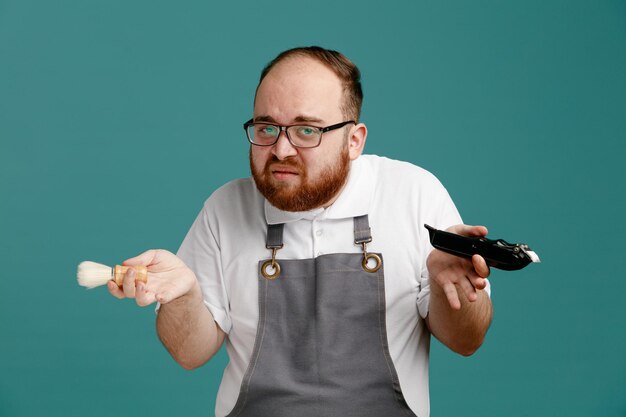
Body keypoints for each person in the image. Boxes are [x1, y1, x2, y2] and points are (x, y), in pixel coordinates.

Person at [108, 46, 493, 417]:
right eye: (266, 127)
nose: (281, 150)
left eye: (306, 130)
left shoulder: (413, 194)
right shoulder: (224, 209)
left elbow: (466, 340)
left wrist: (455, 289)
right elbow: (190, 353)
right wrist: (183, 296)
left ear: (354, 139)